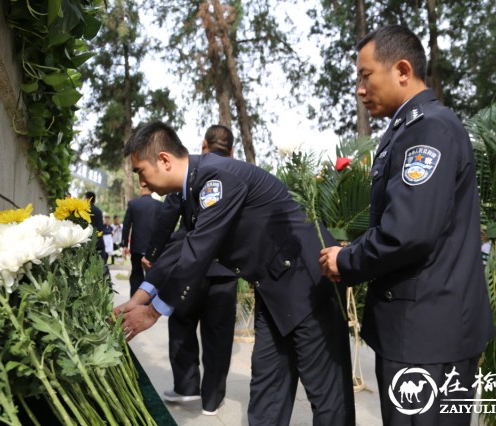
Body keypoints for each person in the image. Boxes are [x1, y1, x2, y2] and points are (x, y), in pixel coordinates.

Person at [114, 121, 355, 425]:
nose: (142, 186)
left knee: (326, 395)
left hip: (307, 283)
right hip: (271, 287)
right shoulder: (193, 186)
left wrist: (151, 314)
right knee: (267, 389)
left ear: (163, 160)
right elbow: (181, 245)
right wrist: (139, 297)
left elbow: (198, 251)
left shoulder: (217, 178)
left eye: (140, 173)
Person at [319, 25, 494, 425]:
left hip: (425, 337)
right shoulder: (411, 128)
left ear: (401, 70)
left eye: (366, 76)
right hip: (424, 329)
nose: (360, 90)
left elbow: (408, 232)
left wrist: (346, 261)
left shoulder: (428, 129)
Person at [142, 125, 238, 416]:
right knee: (219, 335)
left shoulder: (190, 172)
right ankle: (212, 398)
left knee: (182, 323)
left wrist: (154, 255)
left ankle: (186, 388)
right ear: (232, 150)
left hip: (189, 266)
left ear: (203, 144)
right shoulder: (238, 172)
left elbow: (168, 214)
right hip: (225, 270)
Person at [121, 186, 162, 297]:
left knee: (136, 275)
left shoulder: (133, 204)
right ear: (152, 189)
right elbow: (163, 227)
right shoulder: (159, 205)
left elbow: (126, 225)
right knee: (151, 276)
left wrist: (124, 244)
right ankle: (148, 302)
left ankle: (134, 300)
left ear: (140, 189)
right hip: (153, 248)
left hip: (137, 247)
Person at [84, 191, 106, 262]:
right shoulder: (99, 211)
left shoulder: (85, 210)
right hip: (99, 239)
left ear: (88, 199)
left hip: (89, 240)